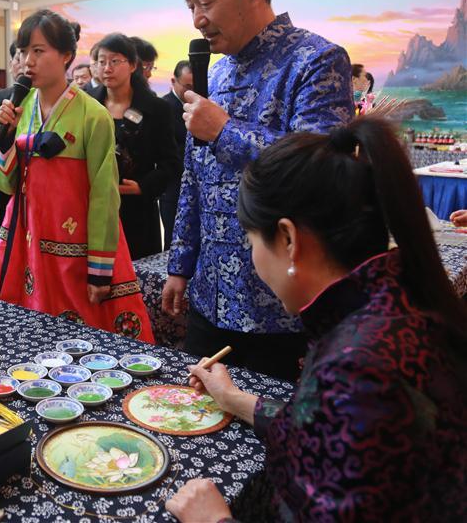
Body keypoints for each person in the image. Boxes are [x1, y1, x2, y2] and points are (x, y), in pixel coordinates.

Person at [165, 116, 467, 522]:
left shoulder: (358, 365)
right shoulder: (394, 302)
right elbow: (327, 433)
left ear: (288, 239)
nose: (254, 262)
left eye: (252, 242)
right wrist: (234, 400)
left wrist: (214, 519)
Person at [161, 0, 354, 381]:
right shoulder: (218, 69)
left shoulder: (316, 60)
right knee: (196, 422)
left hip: (282, 303)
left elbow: (320, 170)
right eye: (189, 6)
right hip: (211, 295)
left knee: (271, 436)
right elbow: (194, 176)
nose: (197, 20)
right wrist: (180, 265)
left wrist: (225, 131)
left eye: (205, 2)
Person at [0, 9, 153, 342]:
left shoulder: (94, 115)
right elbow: (6, 184)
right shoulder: (19, 108)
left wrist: (100, 268)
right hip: (26, 241)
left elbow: (104, 194)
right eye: (22, 51)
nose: (26, 61)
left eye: (38, 50)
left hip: (74, 247)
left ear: (67, 56)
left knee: (82, 336)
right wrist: (5, 140)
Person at [88, 33, 180, 259]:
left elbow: (171, 164)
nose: (107, 68)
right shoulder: (86, 104)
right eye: (102, 61)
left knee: (135, 278)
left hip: (136, 212)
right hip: (92, 208)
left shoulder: (156, 109)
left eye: (115, 61)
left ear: (132, 65)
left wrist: (143, 186)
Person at [159, 60, 192, 245]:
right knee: (174, 240)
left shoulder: (201, 105)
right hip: (173, 187)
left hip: (195, 185)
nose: (191, 91)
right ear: (174, 81)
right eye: (187, 86)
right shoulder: (164, 108)